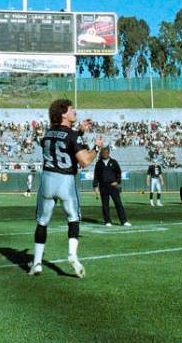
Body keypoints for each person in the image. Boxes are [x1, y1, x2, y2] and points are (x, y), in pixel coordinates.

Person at [29, 99, 101, 278]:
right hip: (66, 180)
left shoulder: (47, 133)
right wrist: (97, 148)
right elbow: (84, 160)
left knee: (42, 221)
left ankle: (37, 263)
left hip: (47, 179)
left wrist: (80, 131)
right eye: (71, 109)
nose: (75, 111)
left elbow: (63, 138)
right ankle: (72, 256)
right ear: (63, 114)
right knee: (73, 218)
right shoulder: (71, 135)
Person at [93, 146, 130, 226]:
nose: (105, 154)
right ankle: (107, 221)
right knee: (105, 205)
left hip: (113, 186)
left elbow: (118, 173)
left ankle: (124, 221)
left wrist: (117, 182)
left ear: (109, 153)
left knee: (118, 203)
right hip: (103, 186)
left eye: (107, 152)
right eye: (103, 153)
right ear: (101, 153)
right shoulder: (98, 164)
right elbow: (96, 175)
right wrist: (95, 186)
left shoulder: (114, 162)